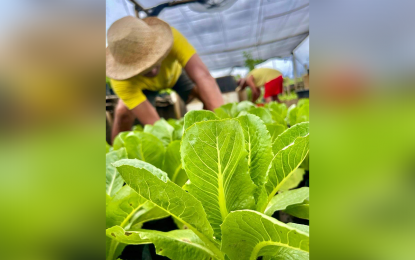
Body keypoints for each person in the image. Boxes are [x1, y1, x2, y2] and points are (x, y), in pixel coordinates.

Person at [106, 16, 224, 142]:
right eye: (143, 68)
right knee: (122, 112)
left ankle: (209, 133)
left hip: (175, 75)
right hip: (145, 88)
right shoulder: (120, 81)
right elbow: (156, 125)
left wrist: (223, 124)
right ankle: (116, 152)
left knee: (206, 94)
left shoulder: (173, 38)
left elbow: (203, 76)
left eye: (153, 61)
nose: (152, 71)